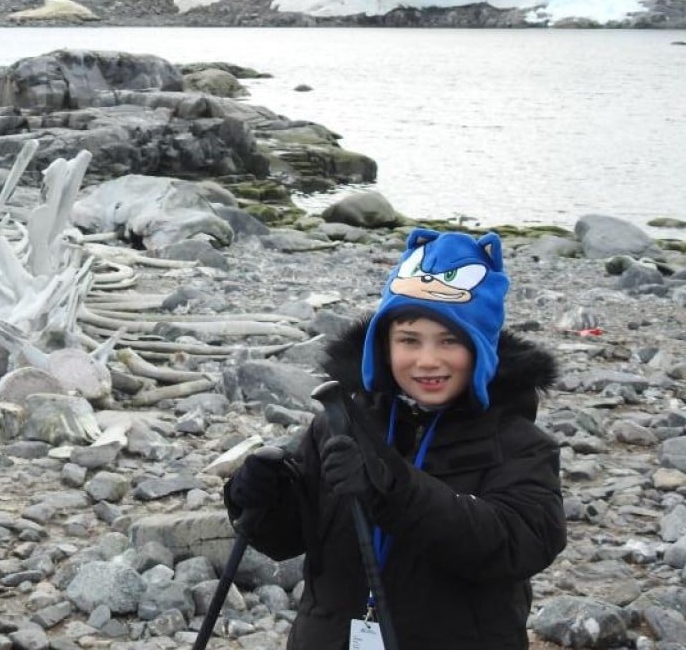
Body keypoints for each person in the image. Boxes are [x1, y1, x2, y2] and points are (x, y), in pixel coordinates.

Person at [224, 228, 566, 649]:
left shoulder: (519, 444)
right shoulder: (340, 424)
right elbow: (286, 539)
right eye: (408, 340)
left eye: (450, 341)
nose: (427, 360)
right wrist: (261, 499)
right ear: (383, 346)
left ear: (481, 348)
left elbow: (515, 545)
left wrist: (392, 489)